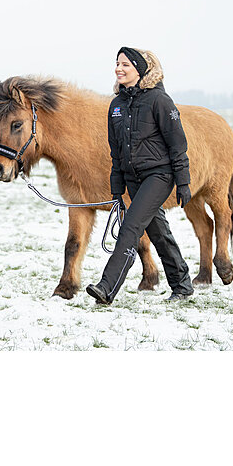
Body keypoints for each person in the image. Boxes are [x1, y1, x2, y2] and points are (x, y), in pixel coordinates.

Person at [86, 47, 195, 304]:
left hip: (159, 175)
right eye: (117, 63)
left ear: (140, 69)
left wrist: (183, 181)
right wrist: (116, 187)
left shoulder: (159, 101)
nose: (118, 68)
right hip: (133, 179)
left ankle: (107, 287)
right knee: (158, 232)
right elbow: (116, 151)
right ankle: (182, 284)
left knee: (131, 228)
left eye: (125, 64)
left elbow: (177, 143)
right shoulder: (116, 105)